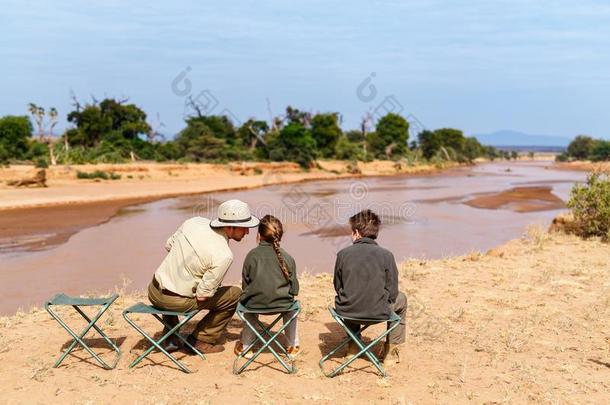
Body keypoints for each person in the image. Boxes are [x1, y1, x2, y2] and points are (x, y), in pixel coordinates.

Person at [148, 199, 259, 354]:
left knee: (177, 280)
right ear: (230, 227)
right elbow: (202, 296)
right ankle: (201, 340)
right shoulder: (224, 255)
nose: (247, 232)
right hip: (174, 302)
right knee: (234, 294)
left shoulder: (193, 222)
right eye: (244, 228)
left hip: (153, 291)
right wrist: (210, 285)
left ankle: (170, 338)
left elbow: (169, 245)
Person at [333, 209, 407, 365]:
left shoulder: (343, 254)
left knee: (349, 295)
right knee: (402, 299)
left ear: (357, 233)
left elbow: (337, 285)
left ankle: (353, 346)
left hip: (348, 311)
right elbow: (392, 291)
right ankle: (391, 352)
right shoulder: (387, 255)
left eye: (351, 232)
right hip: (378, 312)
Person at [235, 215, 300, 357]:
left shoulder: (251, 256)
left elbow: (246, 286)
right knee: (293, 307)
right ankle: (292, 346)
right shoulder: (287, 257)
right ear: (280, 235)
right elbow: (295, 290)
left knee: (248, 303)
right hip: (283, 305)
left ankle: (246, 346)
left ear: (259, 235)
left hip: (254, 304)